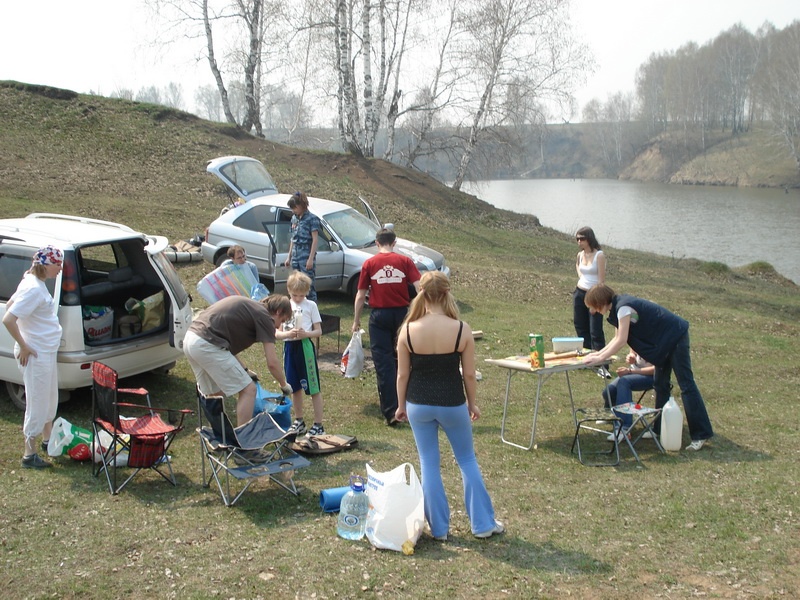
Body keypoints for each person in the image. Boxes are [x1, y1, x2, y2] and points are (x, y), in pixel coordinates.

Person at [395, 271, 503, 540]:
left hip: (418, 404)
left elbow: (402, 375)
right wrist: (473, 404)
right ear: (447, 293)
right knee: (467, 460)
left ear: (421, 293)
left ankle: (439, 529)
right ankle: (483, 524)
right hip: (452, 403)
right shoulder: (461, 329)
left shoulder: (407, 329)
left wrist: (400, 405)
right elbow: (469, 374)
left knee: (429, 464)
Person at [582, 284, 713, 451]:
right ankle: (659, 429)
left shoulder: (623, 308)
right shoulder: (617, 310)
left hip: (675, 336)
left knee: (686, 384)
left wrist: (600, 358)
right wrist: (598, 355)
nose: (592, 311)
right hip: (662, 343)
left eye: (593, 307)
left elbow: (622, 340)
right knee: (660, 384)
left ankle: (701, 434)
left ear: (600, 302)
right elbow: (616, 339)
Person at [184, 294, 294, 428]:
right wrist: (284, 384)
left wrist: (245, 370)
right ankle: (244, 438)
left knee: (214, 395)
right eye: (282, 320)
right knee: (249, 390)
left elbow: (226, 346)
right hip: (207, 344)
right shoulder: (265, 317)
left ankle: (220, 436)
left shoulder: (251, 308)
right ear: (278, 311)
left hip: (191, 338)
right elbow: (272, 363)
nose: (278, 326)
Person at [2, 246, 64, 469]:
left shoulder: (32, 281)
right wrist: (24, 345)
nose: (60, 269)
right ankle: (29, 454)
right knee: (37, 402)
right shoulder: (34, 289)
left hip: (46, 351)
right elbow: (8, 318)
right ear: (46, 264)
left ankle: (48, 440)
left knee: (49, 398)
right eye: (58, 264)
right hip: (36, 354)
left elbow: (10, 303)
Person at [352, 228, 421, 425]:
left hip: (379, 316)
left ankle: (391, 411)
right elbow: (420, 287)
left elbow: (360, 295)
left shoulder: (369, 263)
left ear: (377, 243)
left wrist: (356, 320)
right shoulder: (405, 261)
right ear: (394, 242)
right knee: (404, 360)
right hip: (402, 315)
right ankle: (408, 405)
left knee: (384, 363)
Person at [281, 271, 325, 438]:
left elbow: (318, 331)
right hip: (289, 347)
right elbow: (278, 331)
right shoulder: (285, 305)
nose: (298, 298)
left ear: (307, 292)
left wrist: (306, 334)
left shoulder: (311, 305)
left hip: (305, 347)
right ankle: (299, 421)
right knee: (294, 386)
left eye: (301, 295)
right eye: (295, 295)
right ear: (289, 291)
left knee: (313, 386)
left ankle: (318, 424)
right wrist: (287, 334)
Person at [573, 227, 609, 377]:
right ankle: (587, 359)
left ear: (589, 238)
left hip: (594, 294)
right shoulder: (580, 255)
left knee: (595, 330)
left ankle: (602, 364)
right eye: (577, 239)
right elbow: (578, 265)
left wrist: (596, 302)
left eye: (582, 239)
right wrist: (581, 276)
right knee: (580, 326)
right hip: (579, 292)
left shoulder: (599, 255)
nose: (579, 242)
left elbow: (601, 281)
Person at [602, 351, 655, 437]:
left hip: (651, 376)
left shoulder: (659, 343)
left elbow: (655, 369)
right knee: (608, 391)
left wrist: (630, 371)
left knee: (624, 382)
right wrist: (632, 356)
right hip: (633, 371)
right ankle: (612, 415)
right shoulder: (638, 341)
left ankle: (624, 428)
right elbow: (633, 349)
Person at [284, 191, 320, 302]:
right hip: (296, 254)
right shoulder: (294, 219)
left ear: (301, 205)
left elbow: (315, 240)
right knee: (296, 283)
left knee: (308, 284)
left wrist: (310, 259)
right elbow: (293, 239)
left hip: (306, 254)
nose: (293, 211)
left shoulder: (312, 219)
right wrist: (289, 257)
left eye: (294, 208)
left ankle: (312, 308)